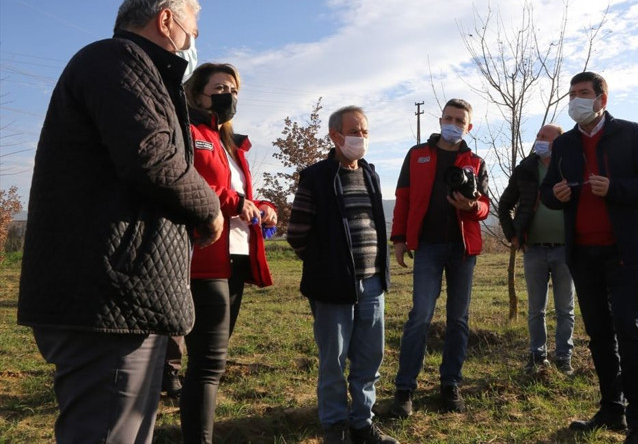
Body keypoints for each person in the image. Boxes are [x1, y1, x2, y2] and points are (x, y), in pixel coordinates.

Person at [16, 0, 223, 443]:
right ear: (166, 20)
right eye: (193, 31)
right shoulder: (117, 60)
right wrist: (208, 207)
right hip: (109, 295)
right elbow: (152, 155)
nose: (193, 43)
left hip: (119, 294)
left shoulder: (138, 71)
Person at [540, 71, 638, 444]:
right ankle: (612, 409)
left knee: (629, 331)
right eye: (572, 95)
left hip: (624, 251)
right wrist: (556, 196)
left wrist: (616, 188)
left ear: (602, 99)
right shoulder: (564, 144)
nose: (576, 100)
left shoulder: (632, 133)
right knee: (599, 335)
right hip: (582, 253)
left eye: (583, 93)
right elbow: (547, 192)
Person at [287, 106, 397, 444]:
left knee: (369, 359)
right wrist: (326, 265)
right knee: (333, 362)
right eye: (354, 131)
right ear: (335, 136)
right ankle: (335, 428)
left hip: (373, 284)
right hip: (332, 286)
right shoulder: (316, 177)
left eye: (365, 132)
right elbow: (297, 234)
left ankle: (362, 424)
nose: (360, 138)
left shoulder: (371, 174)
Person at [179, 63, 277, 443]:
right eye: (220, 87)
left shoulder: (232, 144)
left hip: (235, 256)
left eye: (233, 89)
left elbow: (241, 194)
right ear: (197, 93)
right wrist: (236, 202)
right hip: (204, 257)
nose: (228, 95)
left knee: (212, 361)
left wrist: (261, 205)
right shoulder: (189, 132)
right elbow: (191, 183)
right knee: (206, 362)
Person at [390, 98, 490, 418]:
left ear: (468, 127)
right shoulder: (416, 154)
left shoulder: (475, 161)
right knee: (420, 315)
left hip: (462, 249)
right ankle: (405, 388)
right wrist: (399, 239)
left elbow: (485, 206)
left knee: (458, 319)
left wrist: (472, 207)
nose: (453, 124)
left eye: (460, 120)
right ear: (440, 120)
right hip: (428, 247)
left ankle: (450, 384)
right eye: (449, 118)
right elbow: (403, 198)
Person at [497, 124, 575, 376]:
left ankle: (564, 357)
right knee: (536, 309)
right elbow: (505, 204)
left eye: (545, 137)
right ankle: (537, 356)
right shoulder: (525, 168)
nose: (539, 140)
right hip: (534, 250)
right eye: (538, 135)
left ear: (559, 142)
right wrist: (513, 235)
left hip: (566, 249)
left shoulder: (570, 166)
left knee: (565, 309)